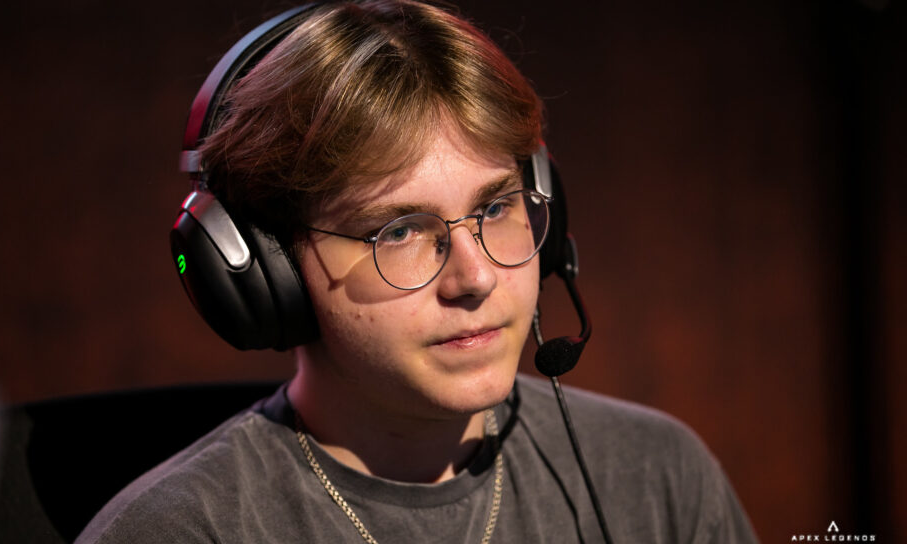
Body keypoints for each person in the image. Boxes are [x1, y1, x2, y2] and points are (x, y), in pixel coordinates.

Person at [77, 1, 758, 542]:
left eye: (495, 208)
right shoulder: (178, 531)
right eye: (398, 231)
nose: (476, 278)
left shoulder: (659, 478)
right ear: (268, 272)